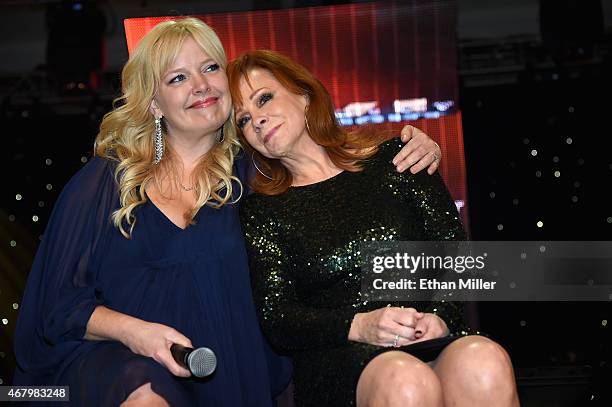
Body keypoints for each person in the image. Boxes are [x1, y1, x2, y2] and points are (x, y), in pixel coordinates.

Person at [12, 18, 442, 406]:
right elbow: (58, 306)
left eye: (211, 68)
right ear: (155, 103)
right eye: (178, 77)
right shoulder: (107, 183)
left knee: (483, 361)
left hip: (231, 370)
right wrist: (137, 334)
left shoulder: (257, 178)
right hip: (125, 361)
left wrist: (405, 148)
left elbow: (329, 174)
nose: (201, 84)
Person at [228, 50, 521, 407]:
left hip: (429, 335)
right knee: (405, 380)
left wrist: (440, 316)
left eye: (264, 98)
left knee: (484, 360)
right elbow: (279, 318)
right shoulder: (262, 212)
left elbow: (453, 250)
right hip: (342, 359)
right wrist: (360, 325)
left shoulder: (397, 158)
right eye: (243, 119)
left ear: (304, 95)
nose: (256, 120)